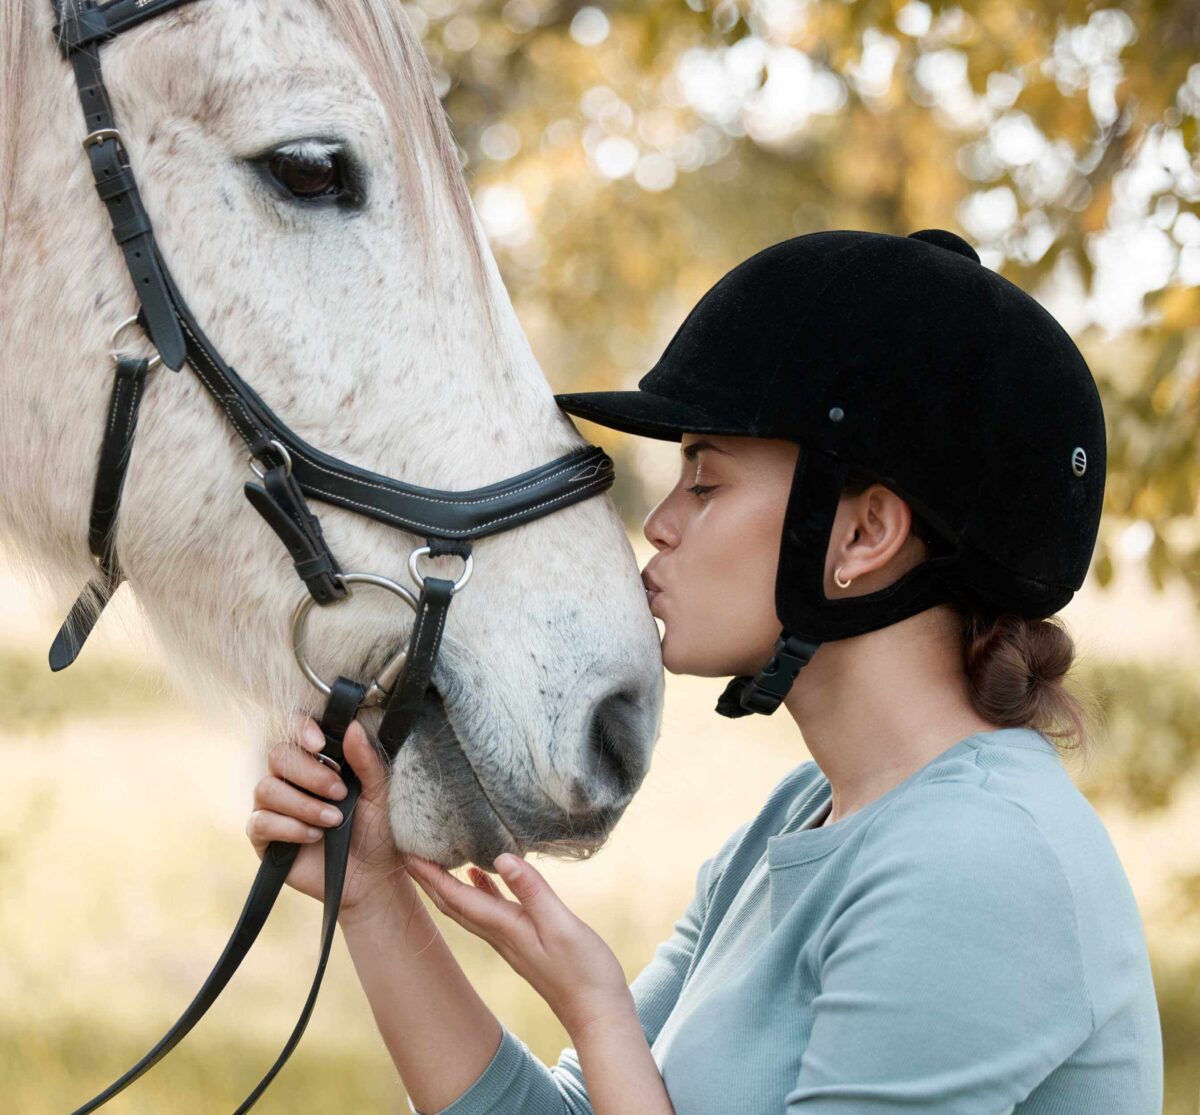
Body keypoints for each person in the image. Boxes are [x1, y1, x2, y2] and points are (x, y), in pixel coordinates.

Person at [245, 229, 1163, 1113]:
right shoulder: (801, 815)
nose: (662, 524)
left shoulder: (977, 868)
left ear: (864, 533)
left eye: (706, 480)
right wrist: (371, 891)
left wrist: (600, 1011)